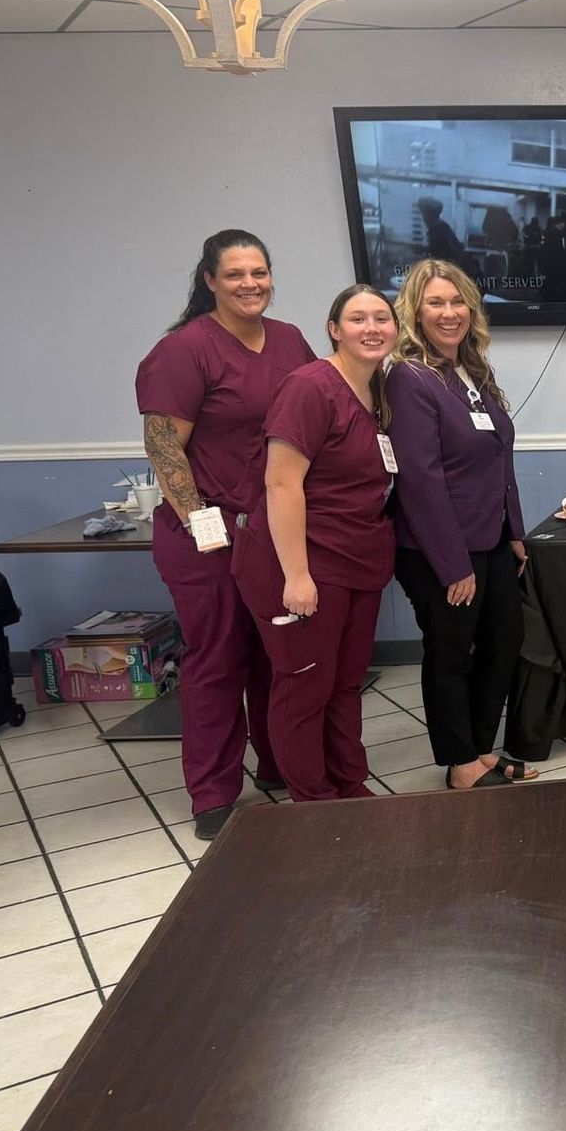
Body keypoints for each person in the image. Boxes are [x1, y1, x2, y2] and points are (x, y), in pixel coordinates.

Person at [136, 230, 317, 842]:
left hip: (272, 528)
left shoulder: (290, 339)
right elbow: (164, 447)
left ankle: (277, 765)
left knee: (276, 652)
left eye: (259, 272)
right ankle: (213, 793)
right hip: (207, 533)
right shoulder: (184, 350)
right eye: (235, 274)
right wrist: (200, 524)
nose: (250, 284)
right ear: (209, 280)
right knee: (217, 660)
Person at [231, 285, 397, 805]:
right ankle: (314, 802)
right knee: (305, 685)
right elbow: (281, 485)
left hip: (356, 560)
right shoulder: (310, 386)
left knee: (344, 683)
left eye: (381, 317)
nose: (371, 328)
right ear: (334, 329)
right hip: (300, 562)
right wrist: (296, 577)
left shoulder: (377, 389)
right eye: (357, 318)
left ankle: (349, 783)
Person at [387, 259, 533, 792]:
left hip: (489, 538)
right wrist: (452, 565)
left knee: (503, 641)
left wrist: (513, 530)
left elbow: (499, 456)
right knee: (451, 652)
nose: (449, 313)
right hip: (438, 549)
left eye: (457, 302)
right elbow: (420, 481)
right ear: (415, 312)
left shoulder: (471, 370)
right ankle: (459, 763)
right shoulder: (409, 377)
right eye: (435, 304)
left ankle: (480, 748)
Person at [418, 196, 466, 265]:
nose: (423, 218)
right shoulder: (439, 227)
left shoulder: (438, 229)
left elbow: (440, 253)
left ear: (429, 215)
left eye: (424, 215)